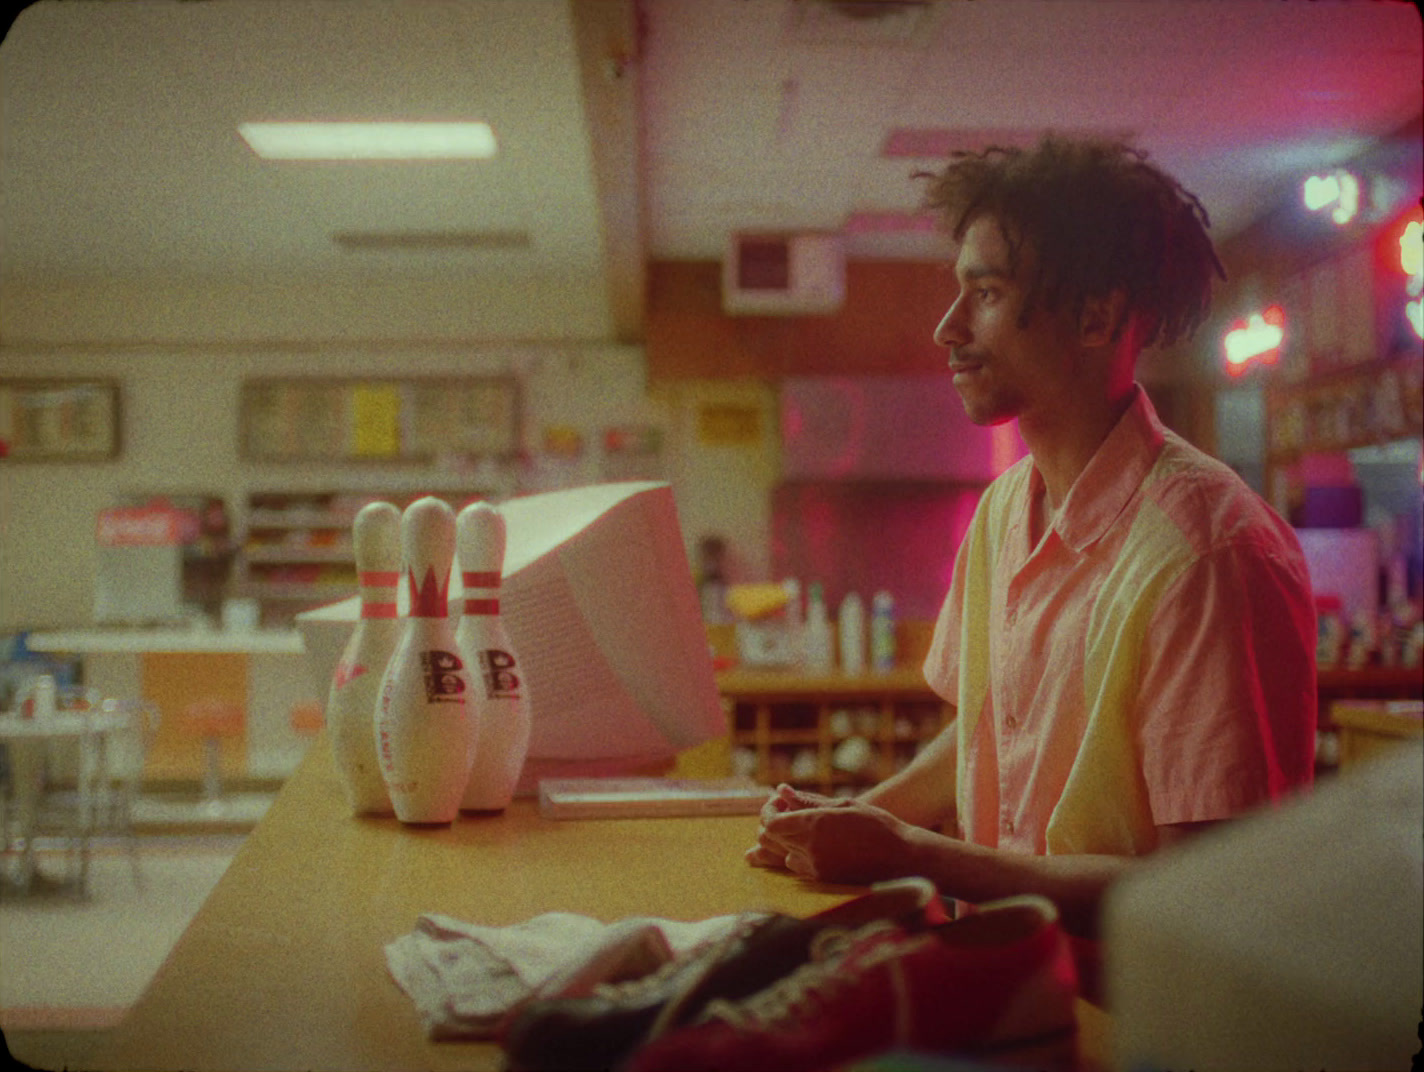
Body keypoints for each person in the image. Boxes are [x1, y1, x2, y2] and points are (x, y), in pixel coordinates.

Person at [747, 136, 1317, 952]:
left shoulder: (1209, 551)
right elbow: (990, 730)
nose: (947, 329)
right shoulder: (1004, 508)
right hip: (1009, 982)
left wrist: (916, 854)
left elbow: (1206, 887)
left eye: (985, 293)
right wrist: (860, 818)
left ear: (1097, 314)